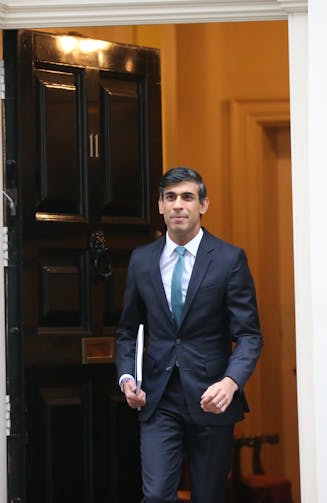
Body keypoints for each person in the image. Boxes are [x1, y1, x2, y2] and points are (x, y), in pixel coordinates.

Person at [115, 166, 263, 503]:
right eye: (170, 197)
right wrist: (127, 378)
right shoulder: (142, 260)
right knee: (155, 495)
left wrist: (230, 383)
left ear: (203, 205)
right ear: (160, 206)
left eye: (187, 197)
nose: (178, 205)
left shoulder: (229, 259)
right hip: (158, 398)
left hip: (211, 398)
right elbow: (128, 331)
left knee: (208, 496)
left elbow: (250, 335)